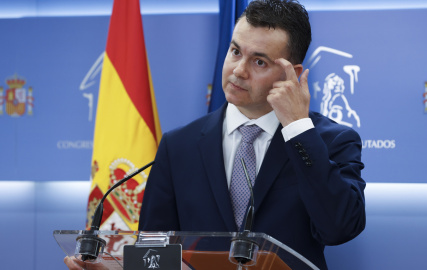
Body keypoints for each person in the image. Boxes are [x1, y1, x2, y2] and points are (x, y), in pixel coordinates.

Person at [65, 0, 365, 269]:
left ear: (292, 74)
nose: (238, 70)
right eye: (235, 51)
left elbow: (339, 228)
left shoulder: (329, 142)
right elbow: (153, 247)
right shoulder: (178, 145)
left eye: (259, 61)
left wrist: (298, 128)